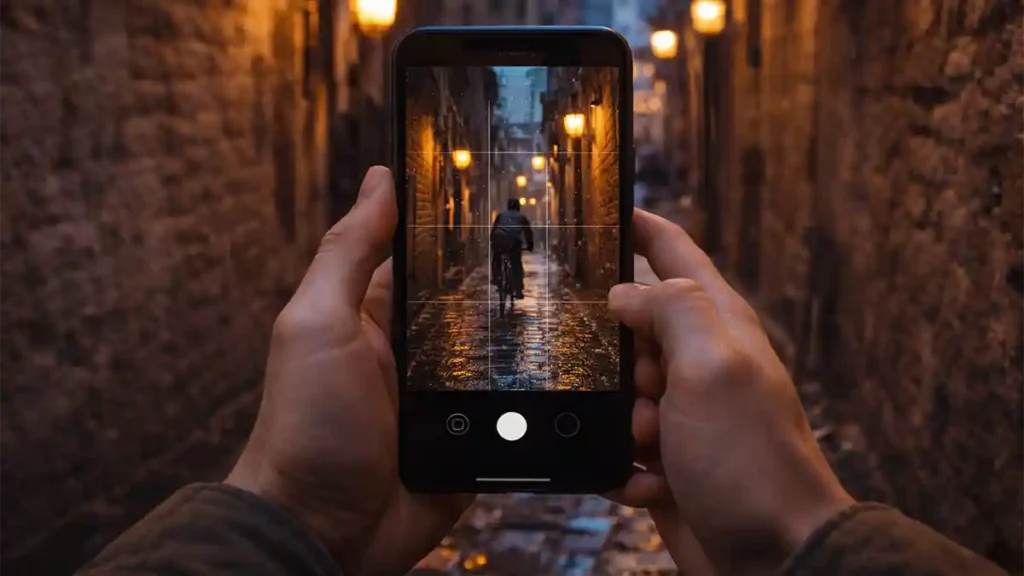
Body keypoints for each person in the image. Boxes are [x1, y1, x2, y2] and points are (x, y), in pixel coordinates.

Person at [75, 167, 1007, 576]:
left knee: (524, 313)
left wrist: (279, 511)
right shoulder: (508, 222)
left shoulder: (509, 222)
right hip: (515, 278)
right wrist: (802, 537)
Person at [490, 197, 534, 299]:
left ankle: (496, 277)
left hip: (498, 240)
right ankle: (518, 289)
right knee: (516, 263)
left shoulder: (501, 215)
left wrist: (492, 241)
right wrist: (530, 245)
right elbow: (528, 232)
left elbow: (494, 229)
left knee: (496, 258)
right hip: (513, 241)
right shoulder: (522, 217)